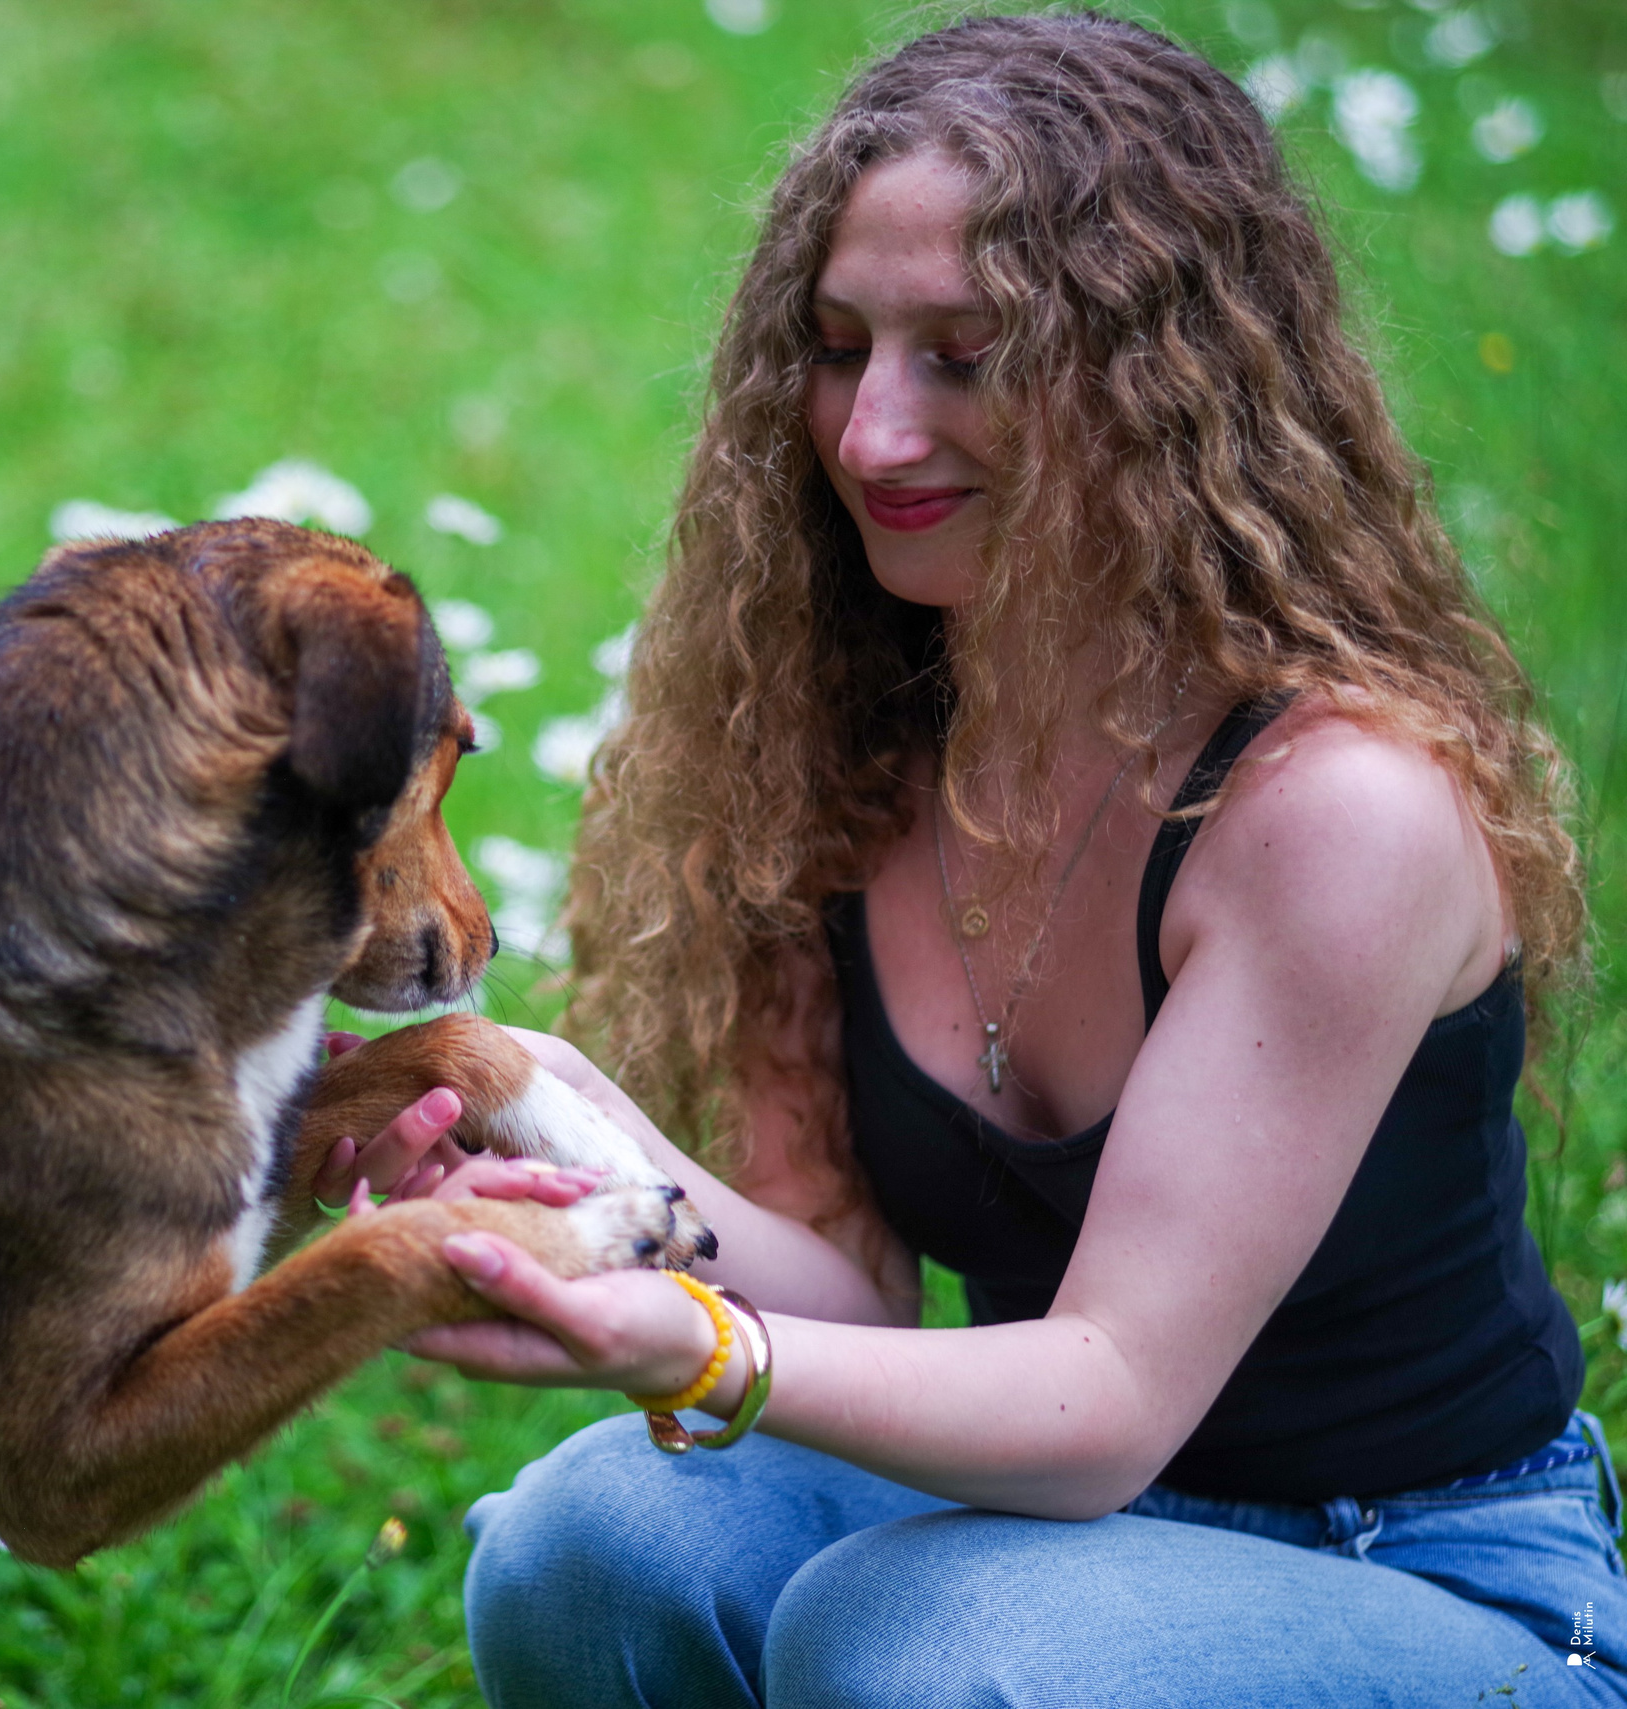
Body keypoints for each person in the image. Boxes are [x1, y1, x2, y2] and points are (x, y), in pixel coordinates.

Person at [309, 13, 1618, 1705]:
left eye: (967, 356)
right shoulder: (841, 737)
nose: (867, 434)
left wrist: (692, 1345)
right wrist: (539, 1121)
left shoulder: (1336, 806)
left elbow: (1107, 1397)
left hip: (1414, 1575)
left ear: (1164, 381)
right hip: (1047, 1534)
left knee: (936, 1643)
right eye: (841, 345)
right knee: (593, 1539)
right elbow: (840, 1286)